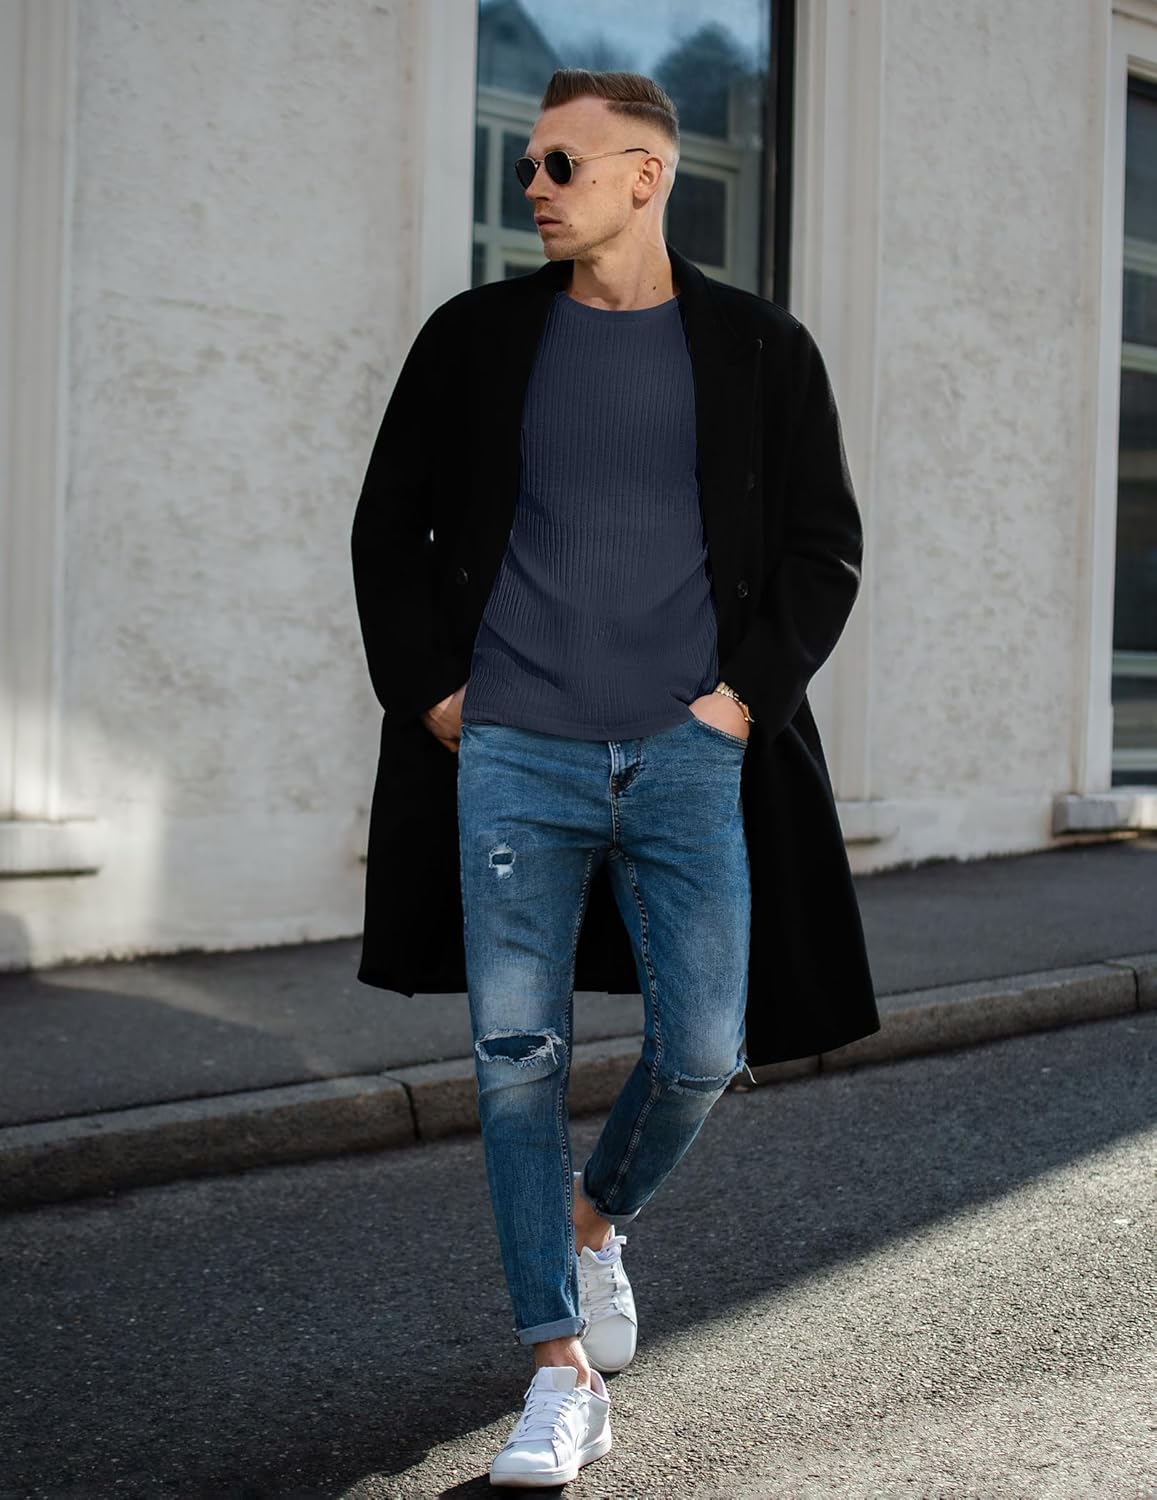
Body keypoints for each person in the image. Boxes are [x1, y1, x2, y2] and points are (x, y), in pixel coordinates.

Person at [351, 66, 878, 1491]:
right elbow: (388, 527)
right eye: (529, 163)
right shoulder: (474, 338)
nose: (533, 185)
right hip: (514, 754)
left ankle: (595, 1222)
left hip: (689, 756)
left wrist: (737, 704)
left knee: (704, 1047)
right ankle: (554, 1370)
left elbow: (825, 547)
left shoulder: (760, 349)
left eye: (562, 164)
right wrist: (437, 694)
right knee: (513, 1060)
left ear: (647, 177)